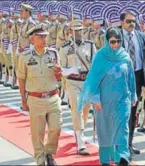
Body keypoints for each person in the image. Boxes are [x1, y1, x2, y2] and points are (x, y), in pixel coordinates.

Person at [77, 27, 137, 166]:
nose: (115, 45)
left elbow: (131, 78)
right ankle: (106, 159)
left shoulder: (125, 57)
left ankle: (122, 158)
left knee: (122, 129)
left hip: (123, 100)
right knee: (106, 130)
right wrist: (96, 98)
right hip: (103, 101)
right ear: (107, 41)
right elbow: (93, 80)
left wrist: (133, 95)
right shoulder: (100, 57)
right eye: (112, 42)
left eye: (118, 41)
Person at [17, 24, 63, 166]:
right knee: (37, 133)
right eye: (40, 37)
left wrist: (59, 72)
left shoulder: (53, 54)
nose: (43, 39)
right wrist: (23, 100)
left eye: (45, 36)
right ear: (32, 40)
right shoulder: (24, 57)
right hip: (35, 98)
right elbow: (21, 78)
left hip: (53, 96)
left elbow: (60, 77)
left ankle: (49, 152)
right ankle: (40, 159)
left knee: (56, 127)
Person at [119, 10, 145, 156]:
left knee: (133, 112)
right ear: (122, 22)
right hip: (120, 79)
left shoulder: (141, 36)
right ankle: (119, 145)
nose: (132, 24)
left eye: (134, 21)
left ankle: (128, 144)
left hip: (138, 77)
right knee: (121, 113)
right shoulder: (115, 36)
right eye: (128, 21)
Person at [59, 20, 97, 156]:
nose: (78, 33)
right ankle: (81, 142)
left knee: (85, 111)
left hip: (87, 82)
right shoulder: (65, 48)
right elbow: (61, 68)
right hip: (73, 82)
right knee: (77, 109)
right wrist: (70, 70)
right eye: (75, 31)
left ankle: (79, 130)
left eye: (80, 30)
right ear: (70, 32)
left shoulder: (91, 46)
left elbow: (96, 64)